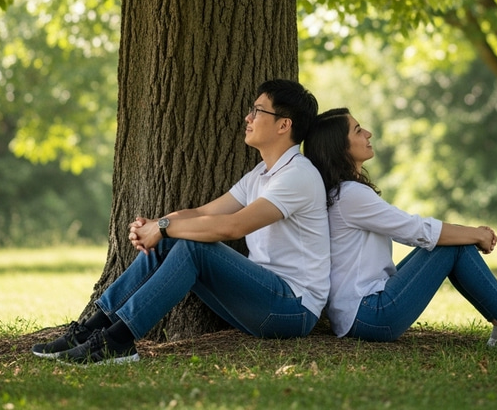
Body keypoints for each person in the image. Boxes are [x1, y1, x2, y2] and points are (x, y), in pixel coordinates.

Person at [32, 79, 329, 365]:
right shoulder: (261, 174)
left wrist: (161, 229)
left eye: (258, 111)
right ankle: (92, 328)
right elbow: (202, 213)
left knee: (193, 248)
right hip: (262, 297)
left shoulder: (297, 175)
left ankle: (117, 342)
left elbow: (232, 227)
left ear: (284, 124)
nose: (248, 117)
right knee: (177, 238)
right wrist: (157, 225)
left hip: (293, 308)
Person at [303, 107, 497, 353]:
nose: (368, 133)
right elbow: (413, 230)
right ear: (340, 146)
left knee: (453, 244)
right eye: (358, 130)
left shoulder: (341, 193)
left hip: (361, 314)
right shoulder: (350, 195)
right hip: (370, 316)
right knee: (452, 247)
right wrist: (476, 234)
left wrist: (470, 233)